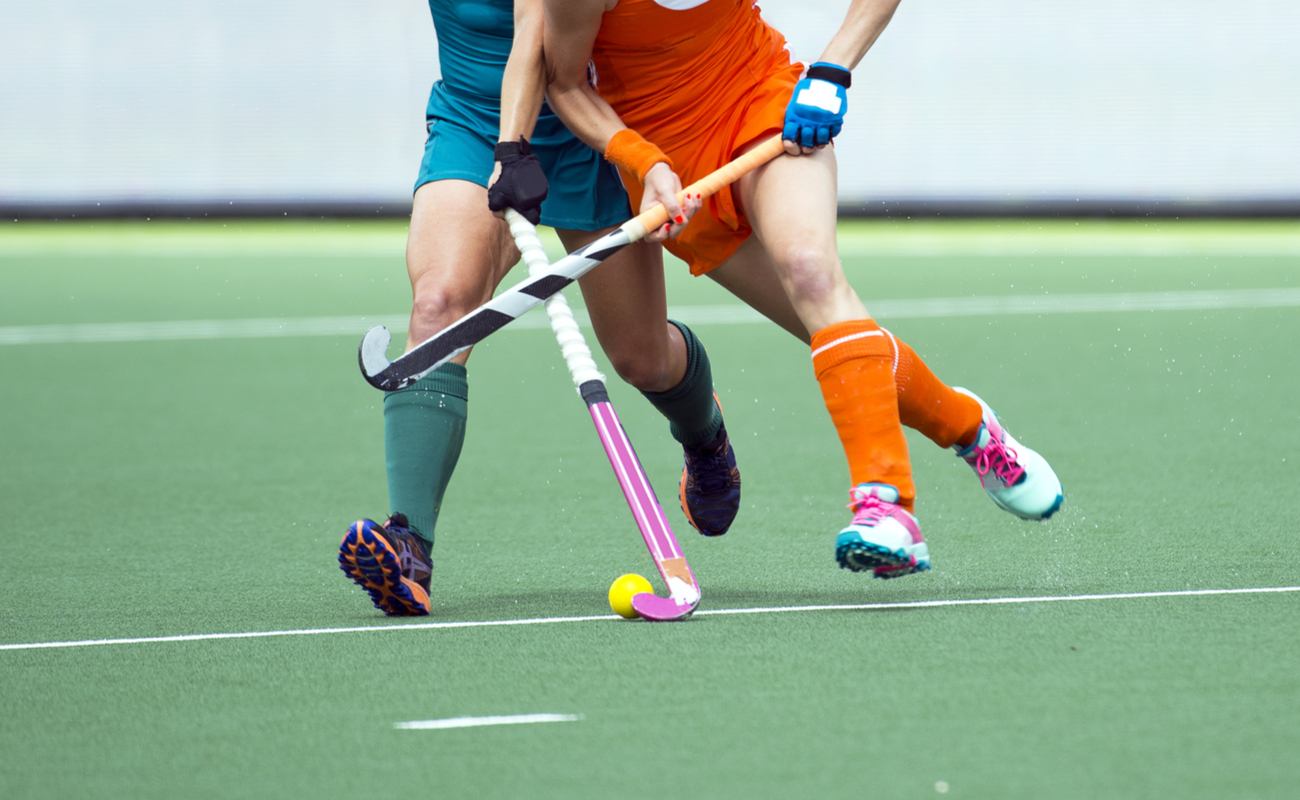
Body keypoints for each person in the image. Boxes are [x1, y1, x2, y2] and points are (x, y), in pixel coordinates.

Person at [536, 0, 1065, 578]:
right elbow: (564, 84)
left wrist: (832, 70)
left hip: (761, 103)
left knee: (812, 269)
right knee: (834, 331)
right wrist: (643, 163)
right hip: (675, 172)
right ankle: (969, 428)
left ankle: (885, 504)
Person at [337, 0, 738, 617]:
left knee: (642, 358)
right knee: (440, 304)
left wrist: (518, 150)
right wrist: (502, 145)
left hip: (588, 129)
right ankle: (409, 546)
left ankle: (703, 435)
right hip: (475, 120)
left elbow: (535, 32)